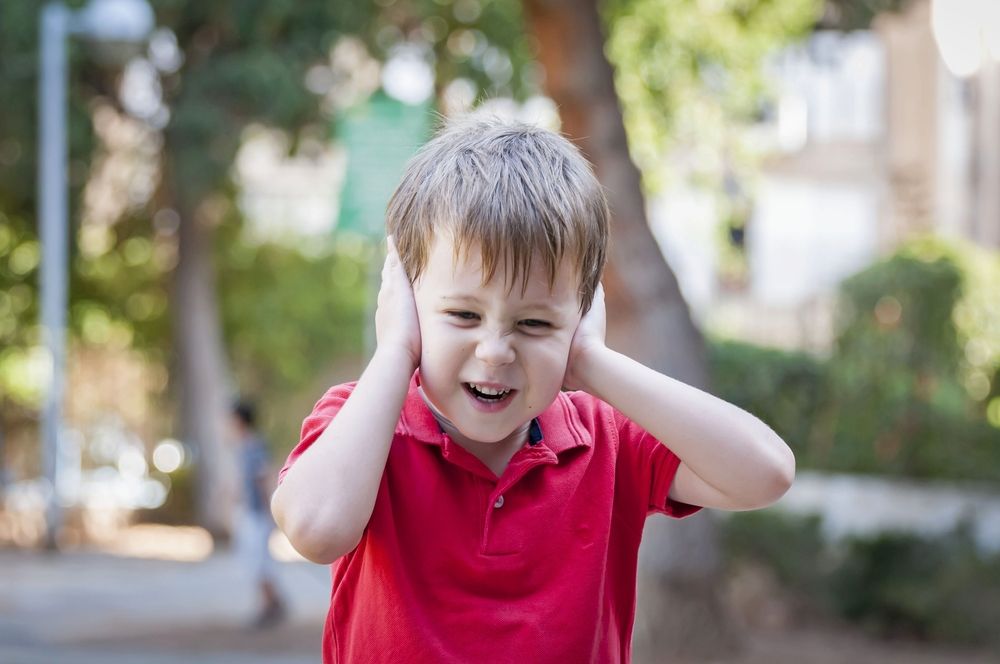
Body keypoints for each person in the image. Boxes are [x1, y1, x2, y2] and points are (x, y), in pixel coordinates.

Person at [271, 116, 795, 662]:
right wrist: (395, 350)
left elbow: (766, 473)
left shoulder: (607, 440)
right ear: (404, 301)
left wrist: (591, 361)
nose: (495, 350)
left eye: (535, 323)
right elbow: (315, 530)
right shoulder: (363, 422)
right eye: (463, 314)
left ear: (581, 317)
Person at [230, 399, 286, 629]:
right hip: (249, 511)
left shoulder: (254, 445)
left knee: (259, 561)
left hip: (257, 512)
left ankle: (270, 604)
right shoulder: (243, 445)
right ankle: (271, 602)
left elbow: (263, 478)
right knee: (254, 560)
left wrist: (269, 511)